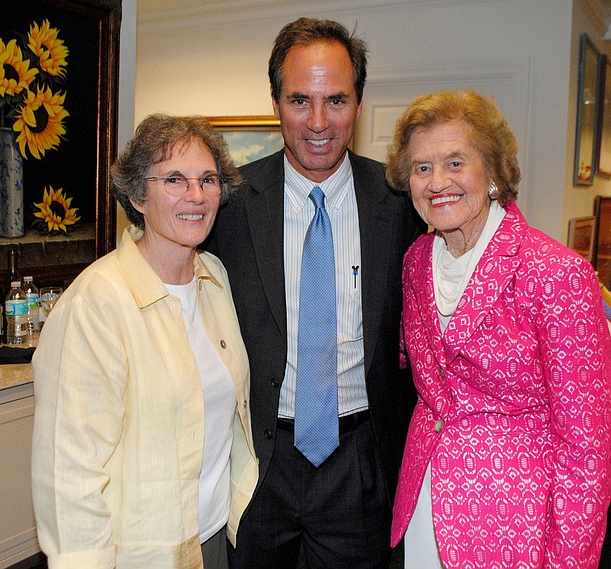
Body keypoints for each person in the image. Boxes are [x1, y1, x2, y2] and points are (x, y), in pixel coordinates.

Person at [204, 17, 425, 569]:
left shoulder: (400, 203)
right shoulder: (229, 205)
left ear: (359, 103)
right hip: (255, 461)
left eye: (337, 100)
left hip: (359, 462)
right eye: (301, 99)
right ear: (276, 101)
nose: (319, 122)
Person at [385, 89, 611, 568]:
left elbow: (587, 449)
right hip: (424, 498)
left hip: (517, 520)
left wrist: (568, 561)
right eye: (422, 168)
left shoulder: (556, 272)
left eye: (455, 162)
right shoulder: (414, 262)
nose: (437, 182)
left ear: (492, 173)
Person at [31, 114, 258, 569]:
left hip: (213, 538)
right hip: (136, 556)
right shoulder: (96, 303)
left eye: (208, 179)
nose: (196, 195)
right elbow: (69, 470)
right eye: (174, 178)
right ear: (137, 195)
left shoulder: (215, 278)